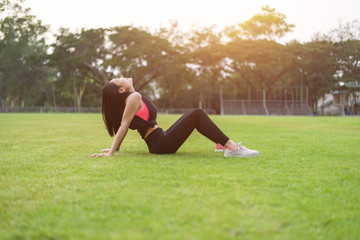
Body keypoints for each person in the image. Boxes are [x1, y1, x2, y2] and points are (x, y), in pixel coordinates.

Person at [90, 77, 259, 158]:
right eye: (119, 79)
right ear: (121, 90)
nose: (123, 76)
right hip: (160, 144)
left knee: (194, 114)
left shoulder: (133, 98)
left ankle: (222, 144)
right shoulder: (133, 98)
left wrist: (115, 149)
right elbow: (124, 125)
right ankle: (232, 148)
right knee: (197, 114)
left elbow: (125, 124)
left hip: (160, 139)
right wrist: (111, 152)